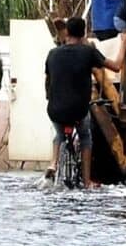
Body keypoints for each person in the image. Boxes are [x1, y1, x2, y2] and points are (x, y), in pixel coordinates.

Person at [44, 15, 121, 186]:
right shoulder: (88, 52)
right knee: (86, 137)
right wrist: (125, 43)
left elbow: (48, 82)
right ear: (84, 33)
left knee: (58, 133)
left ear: (67, 33)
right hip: (78, 110)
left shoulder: (52, 53)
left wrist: (50, 99)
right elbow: (116, 66)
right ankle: (87, 181)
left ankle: (53, 163)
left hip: (55, 109)